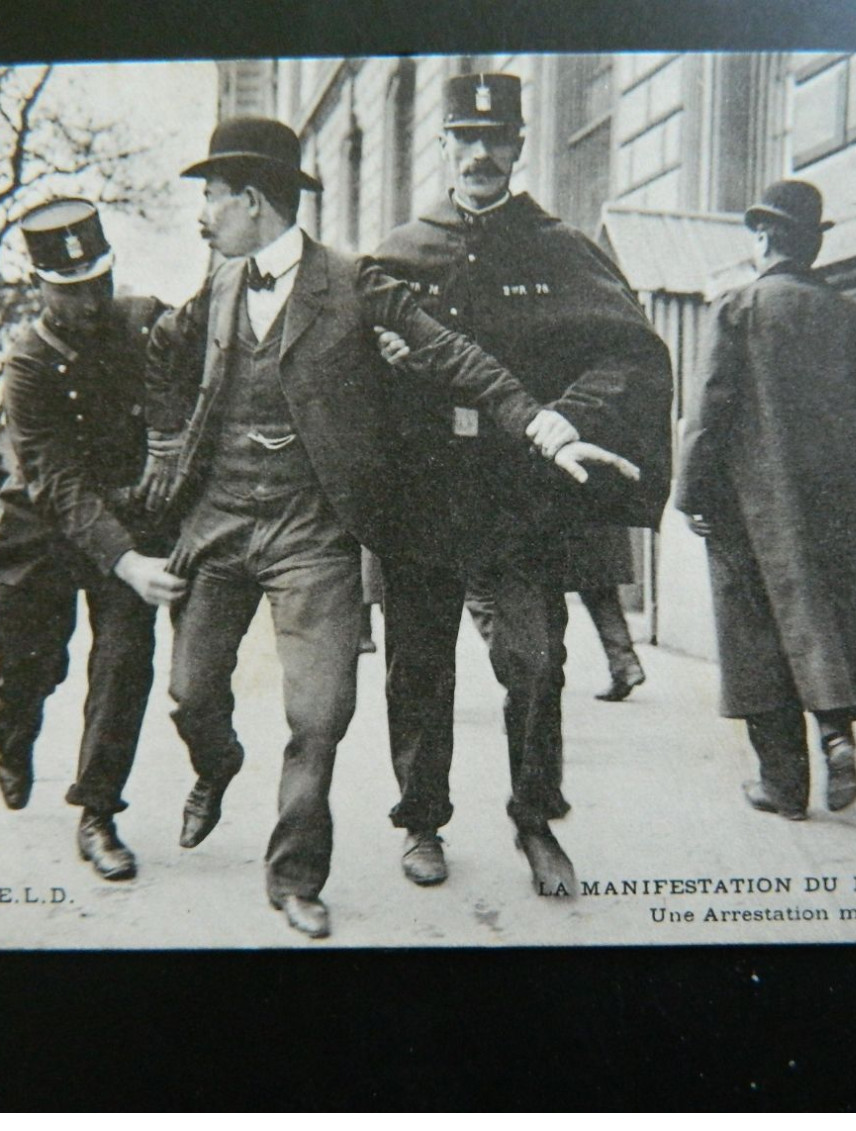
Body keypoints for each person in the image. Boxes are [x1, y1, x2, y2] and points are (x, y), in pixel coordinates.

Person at [139, 116, 627, 940]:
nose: (202, 214)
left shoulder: (357, 279)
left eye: (212, 198)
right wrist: (160, 442)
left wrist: (544, 423)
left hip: (331, 524)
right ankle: (227, 764)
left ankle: (299, 875)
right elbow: (164, 350)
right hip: (230, 520)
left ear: (253, 200)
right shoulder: (222, 282)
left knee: (325, 714)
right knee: (192, 692)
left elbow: (457, 357)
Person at [373, 73, 672, 894]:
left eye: (494, 139)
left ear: (518, 146)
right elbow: (344, 368)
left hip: (520, 497)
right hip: (426, 495)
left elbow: (632, 351)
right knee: (420, 666)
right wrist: (387, 367)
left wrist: (569, 416)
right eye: (464, 138)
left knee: (535, 660)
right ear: (443, 146)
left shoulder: (561, 250)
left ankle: (535, 818)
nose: (479, 154)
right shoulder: (399, 253)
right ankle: (423, 820)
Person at [675, 179, 856, 821]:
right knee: (825, 622)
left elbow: (709, 410)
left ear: (764, 238)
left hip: (750, 509)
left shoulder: (738, 309)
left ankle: (782, 785)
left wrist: (691, 493)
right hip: (841, 510)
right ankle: (837, 734)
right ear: (811, 244)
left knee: (756, 639)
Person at [0, 198, 185, 881]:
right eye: (69, 291)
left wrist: (165, 447)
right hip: (44, 529)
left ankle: (98, 811)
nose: (89, 302)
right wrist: (125, 560)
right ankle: (15, 733)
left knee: (124, 664)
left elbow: (208, 347)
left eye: (98, 282)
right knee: (29, 667)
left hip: (130, 519)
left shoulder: (144, 319)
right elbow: (57, 482)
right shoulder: (27, 364)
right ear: (38, 286)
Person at [463, 526, 646, 702]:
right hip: (596, 528)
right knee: (599, 592)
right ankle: (624, 663)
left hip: (558, 534)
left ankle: (534, 675)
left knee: (546, 598)